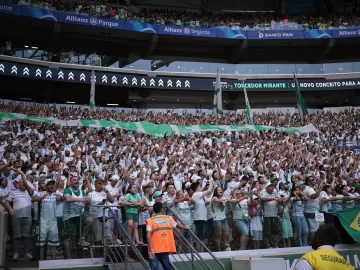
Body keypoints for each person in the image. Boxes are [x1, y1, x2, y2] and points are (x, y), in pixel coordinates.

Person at [146, 202, 190, 270]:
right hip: (165, 248)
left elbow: (148, 235)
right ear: (162, 210)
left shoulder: (150, 220)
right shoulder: (169, 218)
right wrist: (185, 227)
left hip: (154, 249)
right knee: (167, 268)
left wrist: (151, 249)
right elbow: (178, 226)